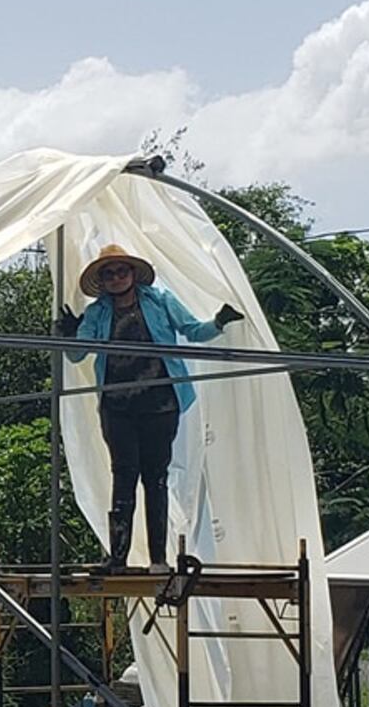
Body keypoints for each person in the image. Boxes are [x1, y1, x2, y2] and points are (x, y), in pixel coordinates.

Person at [59, 244, 240, 570]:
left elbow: (192, 331)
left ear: (132, 274)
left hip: (160, 401)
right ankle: (118, 558)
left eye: (121, 271)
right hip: (117, 404)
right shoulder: (98, 313)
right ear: (102, 281)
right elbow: (77, 355)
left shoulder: (160, 301)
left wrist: (218, 322)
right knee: (123, 475)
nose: (116, 278)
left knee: (155, 477)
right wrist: (69, 334)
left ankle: (159, 559)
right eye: (109, 274)